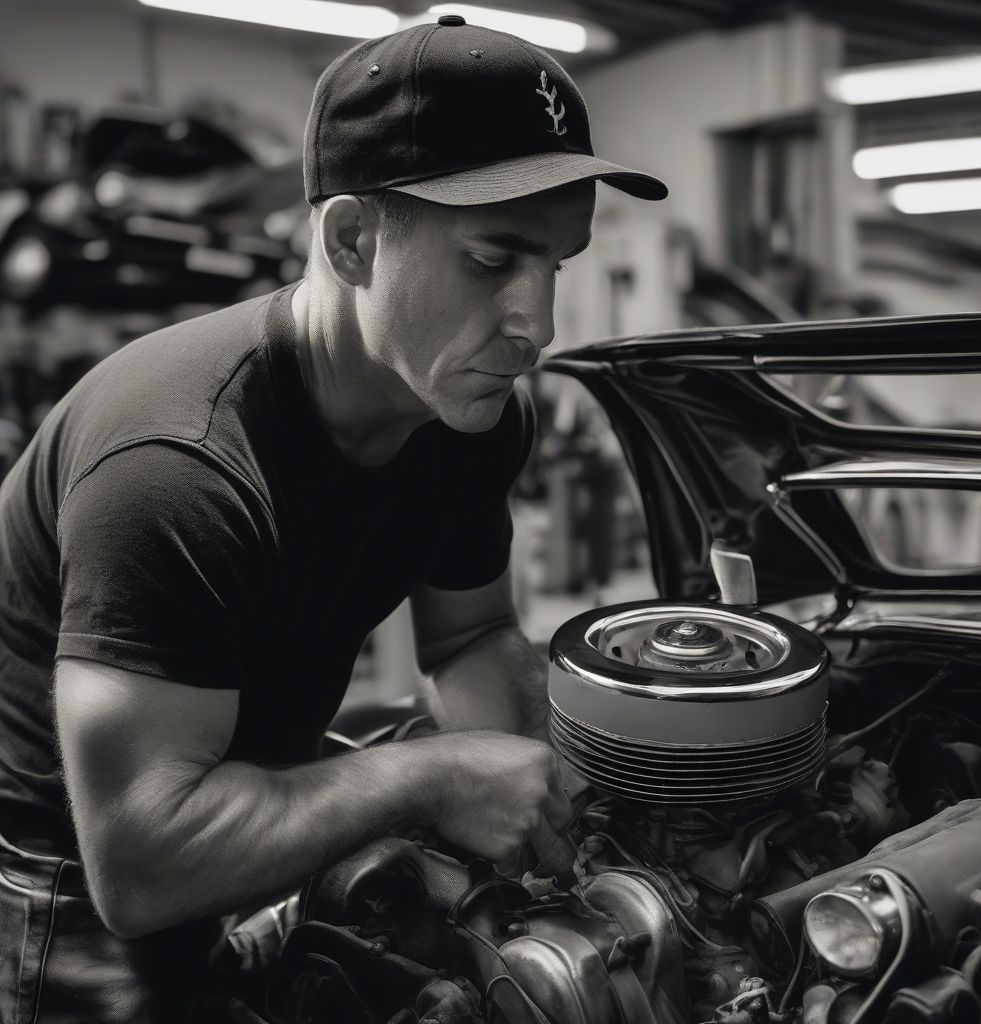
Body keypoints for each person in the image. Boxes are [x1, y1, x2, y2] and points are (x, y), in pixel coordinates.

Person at [0, 14, 667, 1022]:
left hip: (246, 795)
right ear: (352, 239)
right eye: (493, 262)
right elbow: (138, 866)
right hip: (71, 886)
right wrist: (433, 775)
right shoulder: (179, 467)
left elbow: (473, 635)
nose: (540, 324)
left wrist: (537, 845)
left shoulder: (467, 416)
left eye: (556, 265)